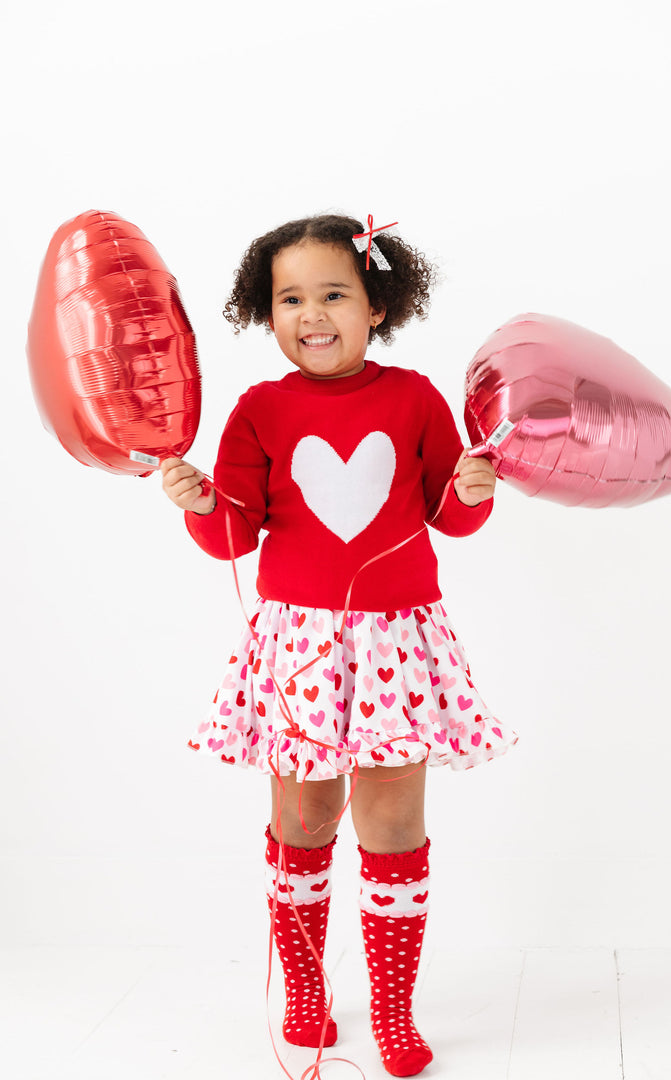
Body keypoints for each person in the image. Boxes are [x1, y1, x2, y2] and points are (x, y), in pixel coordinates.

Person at [161, 213, 517, 1078]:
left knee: (393, 818)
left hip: (398, 641)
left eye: (333, 294)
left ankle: (393, 1011)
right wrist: (203, 503)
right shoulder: (259, 409)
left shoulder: (415, 398)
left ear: (378, 307)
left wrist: (474, 486)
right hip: (301, 648)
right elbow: (236, 537)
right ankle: (309, 990)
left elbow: (450, 517)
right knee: (303, 815)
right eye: (290, 298)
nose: (311, 314)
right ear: (265, 311)